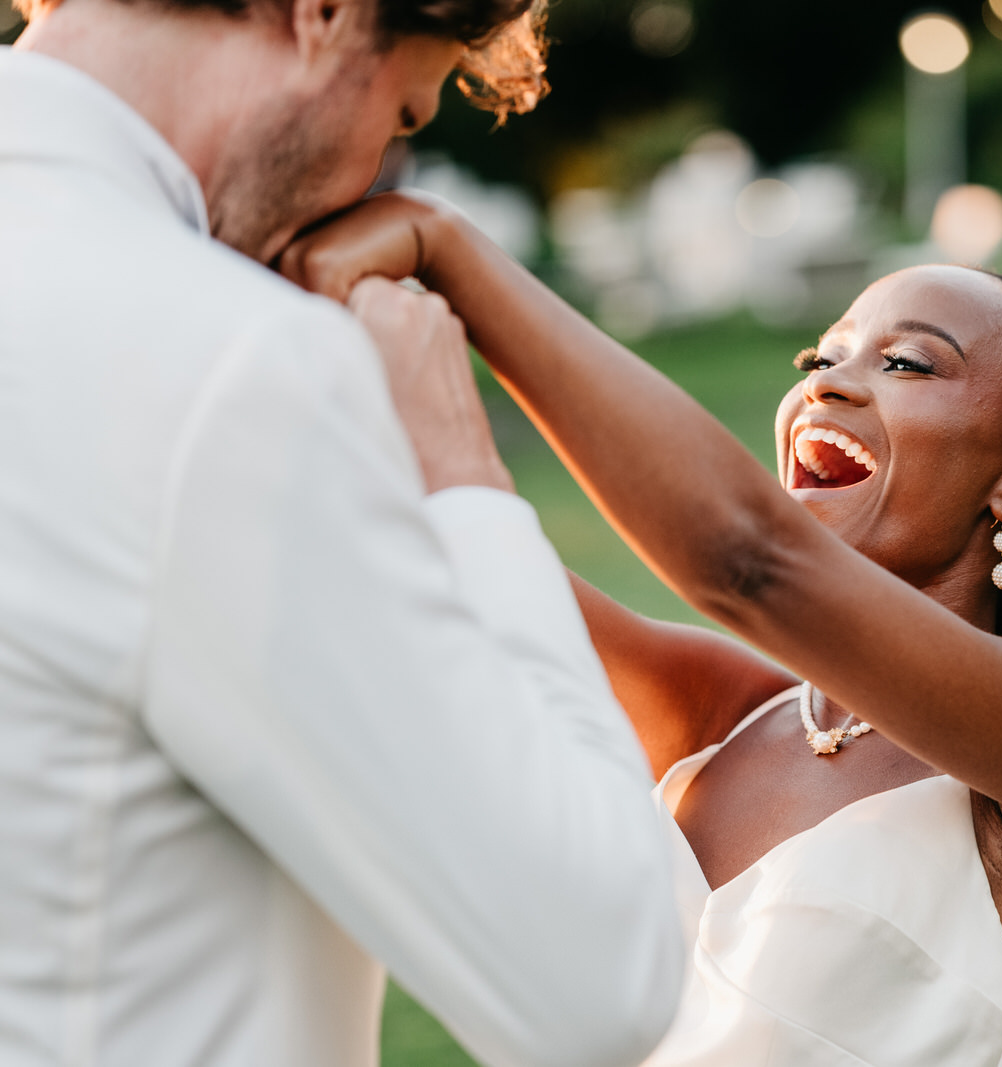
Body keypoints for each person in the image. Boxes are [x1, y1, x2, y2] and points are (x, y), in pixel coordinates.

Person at [282, 193, 1002, 1065]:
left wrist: (444, 249)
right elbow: (454, 564)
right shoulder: (724, 716)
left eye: (907, 363)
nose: (832, 384)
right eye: (821, 359)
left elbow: (746, 562)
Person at [0, 2, 685, 1065]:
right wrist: (460, 474)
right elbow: (603, 977)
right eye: (401, 113)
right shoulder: (227, 364)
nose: (374, 176)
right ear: (325, 14)